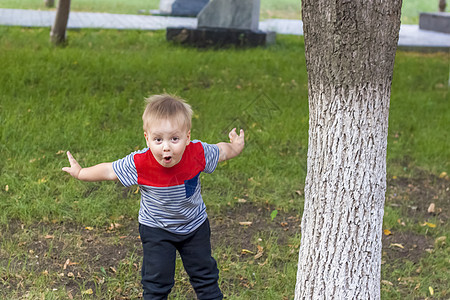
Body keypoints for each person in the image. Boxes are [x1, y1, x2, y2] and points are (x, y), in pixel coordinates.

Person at [62, 94, 245, 300]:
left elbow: (221, 151)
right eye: (158, 139)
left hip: (194, 226)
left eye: (174, 139)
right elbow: (109, 171)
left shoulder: (198, 153)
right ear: (147, 138)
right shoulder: (140, 163)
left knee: (205, 277)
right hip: (156, 229)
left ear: (187, 137)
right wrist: (81, 173)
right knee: (157, 281)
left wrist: (236, 147)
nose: (166, 146)